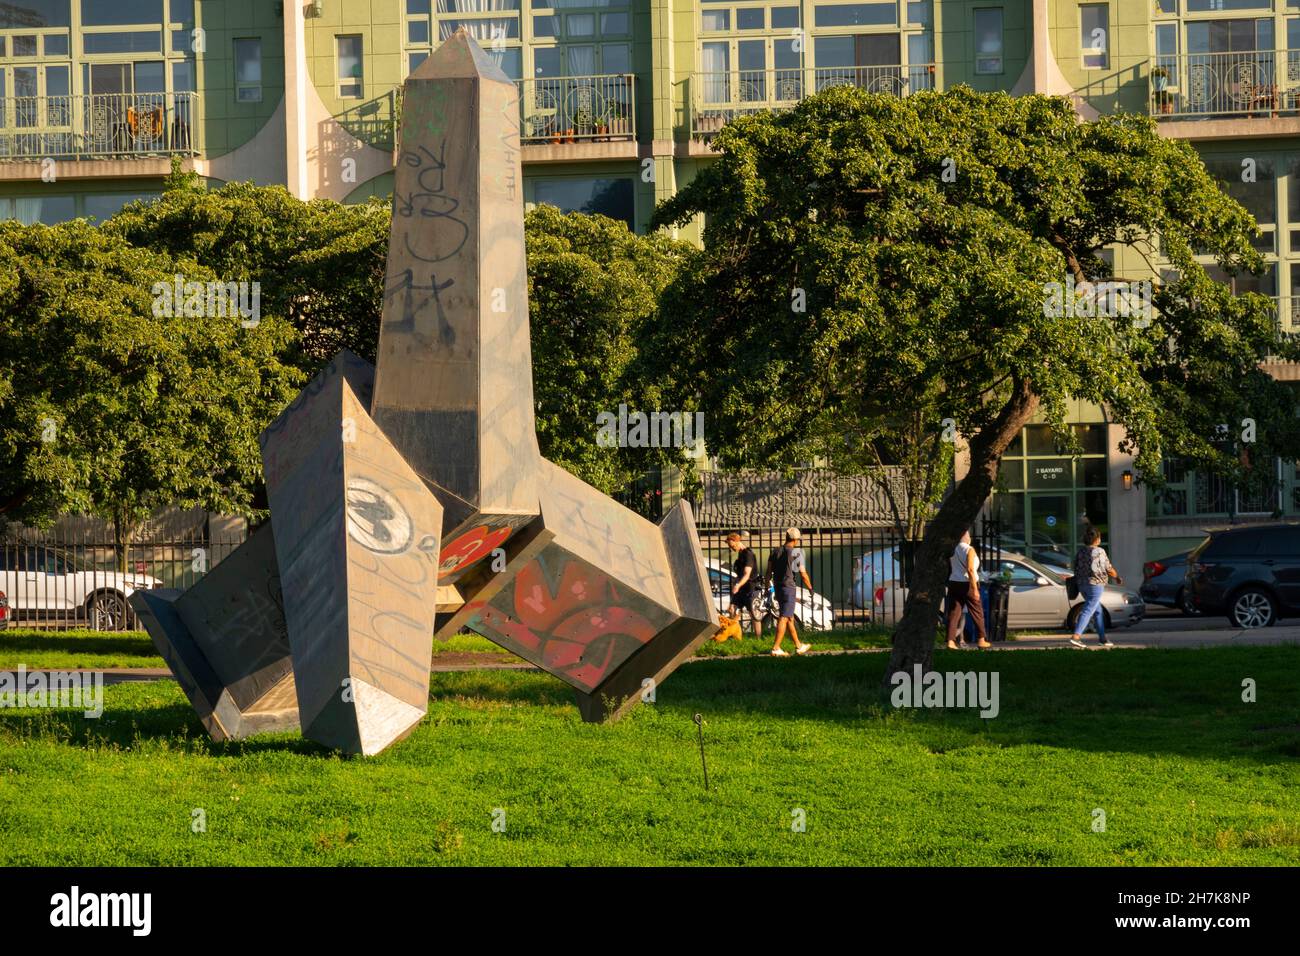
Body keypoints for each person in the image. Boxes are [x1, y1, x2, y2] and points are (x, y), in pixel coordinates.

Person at [1069, 527, 1122, 648]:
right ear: (1097, 539)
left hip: (1082, 585)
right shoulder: (1100, 551)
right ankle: (1076, 636)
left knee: (1097, 610)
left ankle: (1103, 639)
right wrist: (1117, 577)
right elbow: (1108, 568)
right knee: (1088, 609)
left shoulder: (1081, 551)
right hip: (1095, 585)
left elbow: (1075, 567)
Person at [767, 528, 812, 657]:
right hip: (789, 588)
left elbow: (769, 572)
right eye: (798, 539)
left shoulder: (775, 551)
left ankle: (798, 645)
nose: (798, 542)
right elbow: (803, 574)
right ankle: (776, 648)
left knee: (789, 617)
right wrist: (810, 587)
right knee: (784, 617)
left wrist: (766, 587)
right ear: (794, 539)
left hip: (778, 588)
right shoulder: (797, 553)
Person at [946, 529, 990, 650]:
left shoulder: (952, 550)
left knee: (954, 613)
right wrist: (975, 589)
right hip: (968, 584)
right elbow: (970, 569)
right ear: (966, 537)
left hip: (954, 582)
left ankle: (950, 641)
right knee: (977, 611)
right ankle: (981, 639)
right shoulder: (970, 550)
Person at [725, 532, 762, 639]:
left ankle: (758, 639)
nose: (731, 547)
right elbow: (740, 574)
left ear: (737, 541)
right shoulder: (741, 554)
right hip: (741, 589)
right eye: (729, 546)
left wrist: (737, 585)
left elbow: (747, 574)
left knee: (754, 614)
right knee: (732, 609)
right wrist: (736, 582)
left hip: (750, 588)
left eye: (732, 545)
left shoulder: (748, 554)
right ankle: (735, 636)